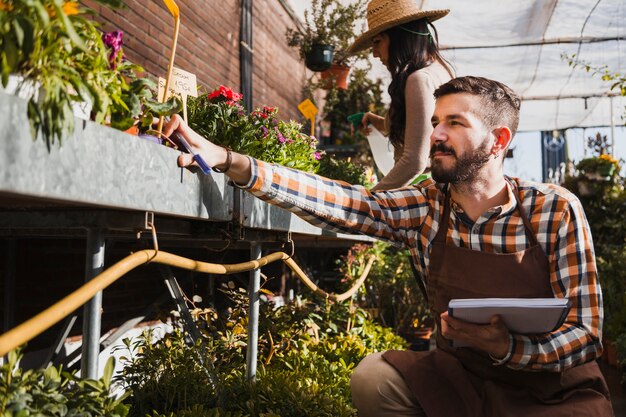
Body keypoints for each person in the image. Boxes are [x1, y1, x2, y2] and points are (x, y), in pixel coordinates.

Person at [165, 76, 612, 416]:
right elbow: (346, 203)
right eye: (436, 122)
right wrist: (230, 160)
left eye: (455, 123)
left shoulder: (553, 210)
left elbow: (586, 334)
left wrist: (509, 348)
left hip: (551, 384)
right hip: (463, 376)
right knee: (372, 379)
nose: (436, 134)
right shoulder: (425, 206)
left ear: (498, 141)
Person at [347, 0, 454, 191]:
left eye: (377, 42)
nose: (374, 54)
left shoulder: (418, 79)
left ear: (399, 37)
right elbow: (416, 129)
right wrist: (374, 120)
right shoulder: (440, 70)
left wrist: (370, 200)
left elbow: (414, 161)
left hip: (420, 192)